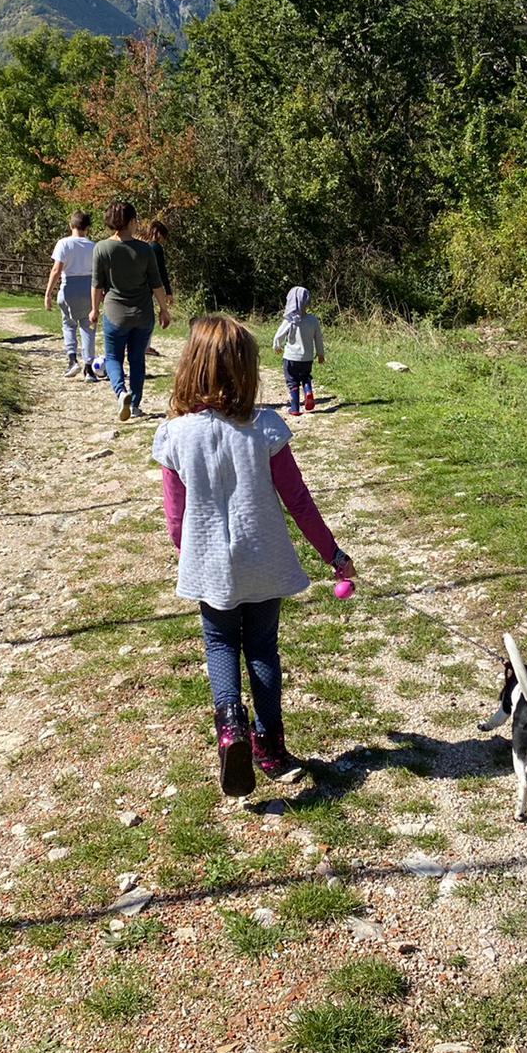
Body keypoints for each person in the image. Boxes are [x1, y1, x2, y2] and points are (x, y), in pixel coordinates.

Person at [152, 315, 356, 796]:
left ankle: (230, 729)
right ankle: (270, 746)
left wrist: (189, 553)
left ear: (190, 366)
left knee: (220, 642)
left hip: (211, 566)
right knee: (262, 647)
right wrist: (333, 553)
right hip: (264, 560)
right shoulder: (265, 429)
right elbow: (299, 501)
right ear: (246, 371)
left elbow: (176, 518)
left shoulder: (176, 434)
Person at [91, 201, 170, 420]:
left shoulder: (102, 248)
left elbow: (97, 284)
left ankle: (121, 392)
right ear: (132, 221)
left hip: (115, 314)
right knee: (137, 359)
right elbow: (156, 284)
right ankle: (134, 405)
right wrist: (164, 310)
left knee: (113, 357)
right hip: (143, 314)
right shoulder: (145, 249)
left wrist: (94, 310)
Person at [42, 212, 98, 380]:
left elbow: (56, 270)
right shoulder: (94, 246)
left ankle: (72, 360)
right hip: (89, 288)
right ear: (88, 228)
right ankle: (89, 367)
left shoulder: (64, 243)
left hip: (69, 288)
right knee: (88, 327)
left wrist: (48, 293)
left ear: (71, 225)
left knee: (68, 324)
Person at [272, 286, 325, 417]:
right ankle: (308, 391)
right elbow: (318, 339)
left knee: (292, 381)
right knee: (305, 376)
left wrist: (277, 346)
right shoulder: (313, 320)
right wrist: (320, 354)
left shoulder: (290, 320)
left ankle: (295, 408)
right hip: (307, 358)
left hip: (291, 358)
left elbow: (279, 336)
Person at [144, 220, 173, 357]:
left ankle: (138, 344)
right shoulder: (156, 247)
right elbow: (162, 271)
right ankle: (145, 346)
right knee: (149, 317)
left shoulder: (144, 246)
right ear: (160, 234)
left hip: (139, 285)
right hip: (149, 286)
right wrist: (168, 292)